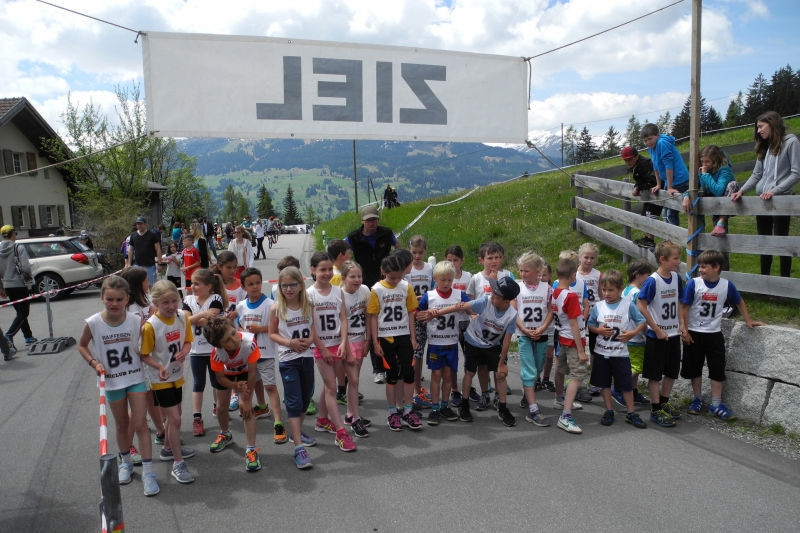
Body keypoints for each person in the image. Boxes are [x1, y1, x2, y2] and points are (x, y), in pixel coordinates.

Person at [77, 275, 166, 496]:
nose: (114, 304)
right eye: (110, 299)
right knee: (121, 424)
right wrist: (94, 362)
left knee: (140, 424)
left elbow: (147, 345)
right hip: (112, 381)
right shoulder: (94, 322)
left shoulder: (136, 321)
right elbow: (82, 346)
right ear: (102, 298)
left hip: (136, 377)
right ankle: (125, 461)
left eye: (119, 299)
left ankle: (148, 472)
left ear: (127, 299)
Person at [679, 250, 764, 421]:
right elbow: (684, 308)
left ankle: (716, 404)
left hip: (714, 334)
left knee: (717, 369)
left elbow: (739, 301)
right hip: (694, 333)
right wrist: (684, 330)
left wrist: (748, 320)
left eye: (704, 267)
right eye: (699, 266)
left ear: (716, 267)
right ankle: (697, 399)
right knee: (694, 367)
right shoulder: (693, 284)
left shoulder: (726, 285)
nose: (700, 270)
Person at [427, 276, 519, 427]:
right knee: (470, 372)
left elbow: (507, 340)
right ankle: (464, 405)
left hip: (491, 345)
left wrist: (502, 363)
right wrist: (436, 312)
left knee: (500, 374)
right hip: (472, 341)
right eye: (493, 292)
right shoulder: (485, 301)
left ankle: (503, 408)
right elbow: (460, 306)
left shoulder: (511, 315)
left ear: (506, 301)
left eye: (497, 295)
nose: (492, 296)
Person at [730, 111, 800, 277]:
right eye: (757, 128)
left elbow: (796, 173)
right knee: (764, 242)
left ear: (772, 123)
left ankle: (784, 284)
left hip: (782, 201)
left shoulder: (792, 143)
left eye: (761, 126)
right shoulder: (765, 146)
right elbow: (756, 174)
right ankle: (764, 282)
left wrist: (774, 191)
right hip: (762, 201)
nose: (758, 131)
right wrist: (741, 190)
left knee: (782, 242)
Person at [140, 280, 196, 484]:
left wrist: (184, 351)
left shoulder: (182, 317)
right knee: (175, 419)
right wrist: (160, 367)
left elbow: (189, 341)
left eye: (175, 300)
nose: (172, 306)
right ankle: (178, 463)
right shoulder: (151, 326)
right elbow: (144, 355)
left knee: (176, 416)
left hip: (177, 375)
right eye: (166, 303)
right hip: (161, 378)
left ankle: (167, 448)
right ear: (155, 303)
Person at [306, 252, 357, 451]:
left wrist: (344, 342)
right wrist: (322, 348)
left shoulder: (338, 291)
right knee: (331, 388)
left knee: (330, 385)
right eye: (322, 270)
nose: (327, 273)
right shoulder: (309, 294)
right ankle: (341, 432)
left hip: (338, 344)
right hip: (321, 348)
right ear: (313, 270)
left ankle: (321, 420)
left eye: (329, 269)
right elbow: (310, 326)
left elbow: (343, 318)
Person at [268, 266, 317, 469]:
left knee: (306, 399)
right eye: (285, 285)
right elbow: (272, 333)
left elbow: (314, 328)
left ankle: (297, 432)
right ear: (279, 287)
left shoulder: (309, 304)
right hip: (288, 359)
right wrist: (290, 343)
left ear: (300, 285)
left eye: (293, 285)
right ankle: (298, 448)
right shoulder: (276, 308)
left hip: (306, 357)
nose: (289, 289)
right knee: (294, 401)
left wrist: (310, 340)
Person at [586, 270, 648, 429]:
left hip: (621, 353)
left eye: (611, 290)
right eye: (604, 290)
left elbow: (642, 322)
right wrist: (598, 331)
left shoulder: (628, 305)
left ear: (620, 289)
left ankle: (631, 412)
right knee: (604, 383)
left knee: (626, 384)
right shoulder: (599, 306)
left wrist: (633, 333)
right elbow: (590, 325)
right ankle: (608, 410)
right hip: (602, 352)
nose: (607, 293)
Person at [367, 253, 420, 431]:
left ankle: (408, 410)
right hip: (386, 337)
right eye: (392, 277)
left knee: (409, 373)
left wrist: (413, 337)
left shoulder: (406, 286)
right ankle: (392, 412)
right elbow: (373, 317)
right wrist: (375, 342)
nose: (396, 280)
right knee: (391, 376)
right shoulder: (377, 289)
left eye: (399, 277)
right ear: (383, 272)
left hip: (404, 335)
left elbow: (412, 312)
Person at [203, 316, 263, 472]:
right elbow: (220, 378)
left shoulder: (249, 343)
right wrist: (234, 386)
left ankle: (251, 449)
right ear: (220, 345)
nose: (234, 340)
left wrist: (247, 398)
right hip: (226, 374)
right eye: (227, 340)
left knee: (247, 410)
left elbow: (252, 374)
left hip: (245, 372)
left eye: (233, 333)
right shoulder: (216, 354)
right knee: (221, 408)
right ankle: (225, 434)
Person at [345, 205, 397, 384]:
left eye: (374, 219)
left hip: (385, 284)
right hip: (364, 285)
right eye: (368, 220)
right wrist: (349, 273)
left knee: (386, 324)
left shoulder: (386, 233)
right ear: (362, 221)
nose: (372, 223)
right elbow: (341, 253)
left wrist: (394, 268)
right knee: (372, 325)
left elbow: (399, 248)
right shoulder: (353, 237)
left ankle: (392, 364)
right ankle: (378, 369)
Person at [415, 261, 471, 426]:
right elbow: (417, 314)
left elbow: (470, 306)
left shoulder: (459, 294)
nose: (446, 283)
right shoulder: (429, 296)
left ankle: (445, 406)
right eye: (442, 280)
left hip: (452, 342)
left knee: (448, 376)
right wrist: (426, 313)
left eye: (449, 280)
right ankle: (435, 408)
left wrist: (467, 309)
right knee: (436, 375)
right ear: (435, 279)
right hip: (435, 343)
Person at [636, 240, 684, 428]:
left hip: (673, 334)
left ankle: (665, 402)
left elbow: (679, 301)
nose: (679, 262)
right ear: (662, 259)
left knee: (672, 371)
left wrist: (682, 325)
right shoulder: (652, 281)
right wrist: (656, 328)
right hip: (657, 336)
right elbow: (641, 305)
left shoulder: (676, 278)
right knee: (655, 375)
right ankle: (656, 408)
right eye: (675, 258)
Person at [236, 267, 286, 444]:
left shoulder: (270, 305)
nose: (255, 287)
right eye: (250, 284)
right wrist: (242, 331)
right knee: (254, 383)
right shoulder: (241, 306)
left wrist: (261, 329)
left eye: (258, 283)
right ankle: (262, 407)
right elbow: (238, 326)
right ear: (244, 287)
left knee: (270, 386)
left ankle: (278, 423)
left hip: (266, 352)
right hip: (249, 356)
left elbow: (278, 327)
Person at [119, 266, 166, 448]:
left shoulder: (145, 299)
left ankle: (161, 431)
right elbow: (139, 329)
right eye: (147, 280)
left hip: (149, 355)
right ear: (138, 285)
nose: (150, 283)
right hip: (138, 359)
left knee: (151, 396)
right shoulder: (130, 307)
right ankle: (127, 445)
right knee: (139, 406)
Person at [465, 241, 515, 408]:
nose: (494, 261)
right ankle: (484, 392)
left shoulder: (507, 276)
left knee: (498, 363)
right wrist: (471, 315)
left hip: (499, 330)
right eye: (490, 257)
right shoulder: (476, 278)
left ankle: (498, 394)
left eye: (498, 257)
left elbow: (513, 301)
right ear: (482, 260)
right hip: (482, 330)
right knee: (483, 365)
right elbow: (470, 301)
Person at [511, 252, 553, 427]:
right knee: (529, 370)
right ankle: (534, 409)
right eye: (520, 270)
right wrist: (524, 329)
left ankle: (527, 394)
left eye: (526, 271)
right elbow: (514, 312)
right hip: (524, 335)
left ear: (538, 271)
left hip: (541, 334)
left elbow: (551, 310)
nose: (522, 274)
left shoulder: (547, 289)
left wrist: (543, 328)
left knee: (537, 369)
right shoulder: (517, 288)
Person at [183, 268, 226, 438]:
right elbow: (185, 320)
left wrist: (194, 319)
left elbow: (212, 317)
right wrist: (201, 316)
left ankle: (218, 406)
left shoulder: (216, 298)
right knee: (198, 384)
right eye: (192, 283)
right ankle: (197, 417)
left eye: (197, 284)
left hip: (214, 349)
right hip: (196, 351)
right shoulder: (188, 299)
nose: (193, 286)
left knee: (217, 382)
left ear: (209, 286)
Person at [550, 258, 589, 434]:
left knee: (562, 370)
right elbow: (574, 323)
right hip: (573, 340)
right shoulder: (571, 296)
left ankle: (562, 399)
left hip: (562, 338)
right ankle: (566, 415)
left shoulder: (555, 292)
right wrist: (581, 350)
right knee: (578, 374)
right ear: (573, 275)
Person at [612, 260, 653, 406]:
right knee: (637, 366)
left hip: (626, 332)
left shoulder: (626, 290)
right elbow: (640, 314)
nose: (649, 279)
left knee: (632, 364)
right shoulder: (638, 293)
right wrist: (646, 329)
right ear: (638, 275)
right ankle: (619, 388)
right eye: (647, 276)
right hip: (636, 335)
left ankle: (633, 391)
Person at [340, 260, 371, 437]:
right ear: (344, 278)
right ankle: (356, 418)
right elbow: (341, 322)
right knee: (353, 380)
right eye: (352, 276)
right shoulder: (340, 295)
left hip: (360, 339)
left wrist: (367, 339)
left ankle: (350, 415)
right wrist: (347, 348)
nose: (357, 279)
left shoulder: (365, 290)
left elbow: (367, 316)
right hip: (347, 341)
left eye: (359, 276)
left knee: (354, 379)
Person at [641, 123, 690, 227]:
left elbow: (669, 166)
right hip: (669, 181)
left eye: (650, 139)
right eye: (645, 140)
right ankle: (669, 238)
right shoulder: (652, 147)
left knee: (671, 214)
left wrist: (670, 187)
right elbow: (655, 166)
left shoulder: (662, 143)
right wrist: (659, 184)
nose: (648, 142)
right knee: (665, 212)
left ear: (657, 135)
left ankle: (674, 239)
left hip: (680, 180)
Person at [683, 145, 736, 237]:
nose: (704, 164)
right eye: (702, 161)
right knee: (717, 232)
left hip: (724, 201)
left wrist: (705, 175)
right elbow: (693, 187)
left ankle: (721, 223)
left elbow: (718, 190)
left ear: (715, 161)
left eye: (707, 161)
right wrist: (686, 196)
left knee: (720, 234)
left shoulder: (724, 170)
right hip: (712, 201)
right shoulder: (703, 171)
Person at [406, 235, 433, 409]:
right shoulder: (407, 269)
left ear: (425, 252)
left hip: (425, 314)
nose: (417, 256)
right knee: (412, 352)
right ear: (410, 250)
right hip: (410, 315)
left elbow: (433, 288)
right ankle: (412, 390)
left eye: (420, 252)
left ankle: (417, 388)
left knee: (420, 352)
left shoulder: (429, 267)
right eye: (414, 252)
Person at [0, 225, 36, 356]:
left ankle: (28, 336)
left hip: (8, 285)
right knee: (24, 312)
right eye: (15, 233)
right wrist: (30, 284)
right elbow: (26, 268)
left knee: (20, 312)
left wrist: (1, 288)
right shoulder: (18, 247)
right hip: (20, 284)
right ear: (12, 234)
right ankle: (8, 335)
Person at [444, 245, 472, 406]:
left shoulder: (469, 277)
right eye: (449, 260)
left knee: (469, 357)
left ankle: (468, 388)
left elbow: (473, 298)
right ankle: (454, 389)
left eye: (455, 260)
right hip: (450, 323)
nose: (453, 263)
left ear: (462, 261)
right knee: (452, 359)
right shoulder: (445, 277)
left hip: (467, 322)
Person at [622, 146, 661, 248]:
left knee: (651, 214)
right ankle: (647, 238)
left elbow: (652, 181)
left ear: (636, 156)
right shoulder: (637, 165)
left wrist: (638, 188)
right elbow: (641, 180)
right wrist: (638, 186)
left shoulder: (645, 164)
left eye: (630, 159)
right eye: (626, 160)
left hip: (656, 192)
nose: (628, 162)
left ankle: (650, 239)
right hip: (649, 194)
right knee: (644, 214)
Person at [126, 216, 162, 286]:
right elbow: (130, 250)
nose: (139, 225)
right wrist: (129, 263)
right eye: (137, 224)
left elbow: (158, 249)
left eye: (140, 223)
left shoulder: (152, 235)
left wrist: (159, 263)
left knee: (150, 285)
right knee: (137, 286)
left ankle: (150, 297)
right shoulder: (133, 235)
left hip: (150, 266)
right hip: (137, 265)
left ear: (145, 224)